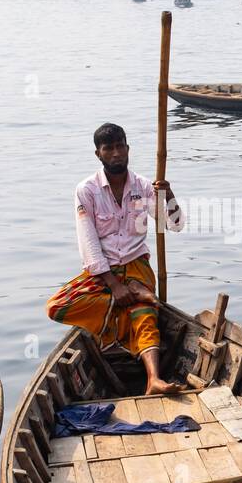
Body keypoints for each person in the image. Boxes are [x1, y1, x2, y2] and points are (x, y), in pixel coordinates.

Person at [47, 123, 186, 395]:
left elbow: (174, 225)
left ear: (128, 149)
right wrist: (115, 286)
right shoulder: (86, 190)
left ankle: (154, 379)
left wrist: (168, 196)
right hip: (102, 272)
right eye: (108, 148)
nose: (116, 153)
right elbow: (88, 242)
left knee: (145, 315)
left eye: (120, 146)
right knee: (57, 307)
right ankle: (130, 302)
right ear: (98, 154)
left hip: (137, 265)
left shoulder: (145, 187)